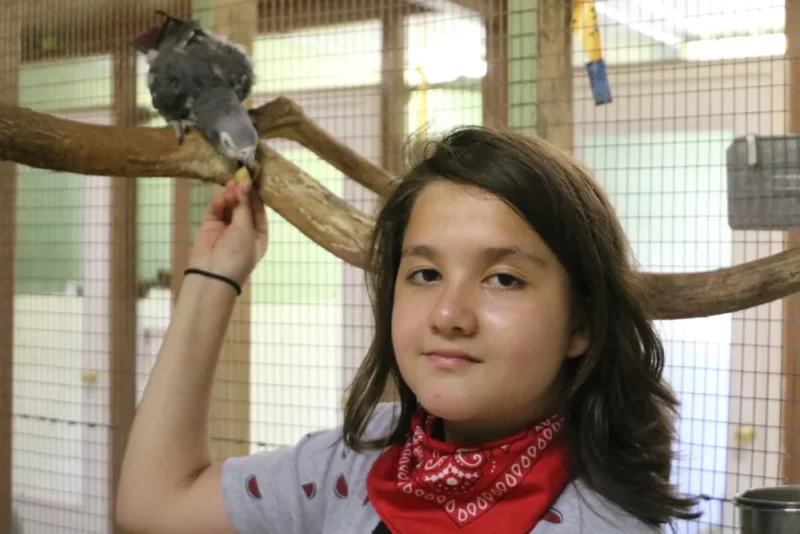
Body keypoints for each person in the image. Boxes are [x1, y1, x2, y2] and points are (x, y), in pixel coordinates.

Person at [116, 126, 701, 533]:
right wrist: (214, 275)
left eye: (503, 279)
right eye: (425, 273)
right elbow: (154, 503)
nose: (448, 315)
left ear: (582, 324)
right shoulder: (355, 462)